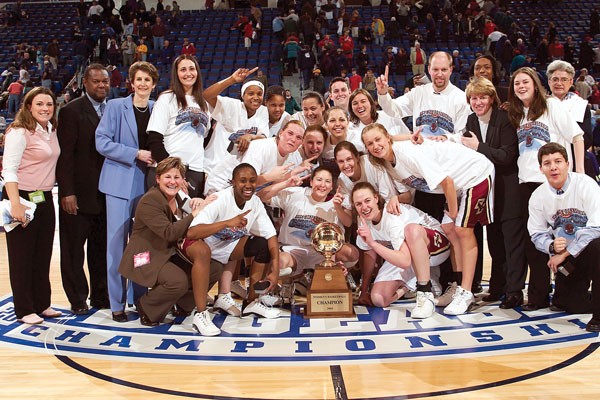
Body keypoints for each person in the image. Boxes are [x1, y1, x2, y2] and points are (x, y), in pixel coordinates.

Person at [361, 123, 495, 315]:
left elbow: (447, 182)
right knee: (449, 229)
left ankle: (467, 292)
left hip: (474, 174)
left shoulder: (408, 154)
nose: (375, 145)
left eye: (378, 140)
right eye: (370, 143)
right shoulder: (386, 162)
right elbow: (388, 138)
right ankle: (457, 286)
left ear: (387, 138)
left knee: (462, 231)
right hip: (456, 184)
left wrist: (454, 212)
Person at [507, 67, 585, 311]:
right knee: (535, 243)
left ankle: (565, 294)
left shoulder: (551, 105)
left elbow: (577, 136)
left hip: (552, 183)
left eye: (525, 82)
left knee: (563, 239)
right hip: (526, 184)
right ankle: (538, 296)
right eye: (517, 83)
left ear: (535, 84)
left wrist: (580, 172)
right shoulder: (519, 113)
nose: (521, 86)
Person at [184, 163, 282, 335]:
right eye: (242, 180)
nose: (248, 185)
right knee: (203, 251)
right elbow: (192, 232)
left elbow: (271, 237)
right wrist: (228, 223)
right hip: (202, 245)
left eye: (252, 180)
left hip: (227, 248)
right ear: (233, 182)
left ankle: (251, 302)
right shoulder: (220, 199)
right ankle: (201, 315)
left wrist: (275, 270)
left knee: (262, 245)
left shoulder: (255, 202)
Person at [95, 61, 158, 322]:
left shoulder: (158, 109)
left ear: (154, 85)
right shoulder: (114, 106)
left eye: (147, 80)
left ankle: (140, 297)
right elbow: (102, 142)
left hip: (148, 184)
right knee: (117, 246)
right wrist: (135, 153)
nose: (143, 84)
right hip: (119, 183)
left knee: (142, 245)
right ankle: (117, 303)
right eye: (138, 79)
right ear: (131, 82)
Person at [462, 77, 527, 309]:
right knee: (495, 243)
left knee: (512, 244)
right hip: (487, 192)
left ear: (492, 98)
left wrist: (479, 147)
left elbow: (507, 156)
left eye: (482, 97)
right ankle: (497, 287)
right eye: (474, 98)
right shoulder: (470, 120)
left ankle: (514, 291)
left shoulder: (505, 119)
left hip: (508, 190)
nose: (478, 102)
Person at [118, 157, 206, 326]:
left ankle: (183, 304)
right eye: (168, 177)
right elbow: (169, 233)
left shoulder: (181, 200)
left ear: (183, 180)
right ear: (157, 179)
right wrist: (194, 215)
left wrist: (201, 203)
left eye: (177, 177)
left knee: (212, 268)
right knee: (178, 281)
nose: (172, 182)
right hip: (144, 256)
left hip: (167, 253)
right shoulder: (151, 200)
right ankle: (147, 307)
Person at [1, 87, 61, 324]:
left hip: (45, 198)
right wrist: (15, 204)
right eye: (39, 104)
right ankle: (24, 309)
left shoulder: (50, 130)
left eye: (49, 104)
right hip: (22, 197)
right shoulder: (18, 132)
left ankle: (42, 304)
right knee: (22, 256)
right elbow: (9, 171)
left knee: (42, 254)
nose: (45, 108)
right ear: (28, 107)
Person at [528, 143, 600, 332]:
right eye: (547, 163)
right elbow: (536, 234)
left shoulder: (586, 185)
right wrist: (551, 246)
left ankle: (599, 317)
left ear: (568, 164)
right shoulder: (538, 196)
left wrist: (565, 253)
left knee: (597, 246)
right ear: (541, 169)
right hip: (569, 258)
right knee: (572, 304)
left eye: (558, 161)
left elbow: (597, 228)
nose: (553, 167)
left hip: (591, 250)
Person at [56, 64, 110, 316]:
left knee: (100, 249)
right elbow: (65, 156)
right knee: (73, 250)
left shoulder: (113, 109)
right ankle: (78, 298)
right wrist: (67, 192)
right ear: (85, 83)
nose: (101, 85)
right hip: (77, 194)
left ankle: (100, 295)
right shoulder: (70, 111)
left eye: (105, 82)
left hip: (106, 193)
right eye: (96, 81)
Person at [352, 182, 449, 316]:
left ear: (376, 198)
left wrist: (373, 243)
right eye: (358, 204)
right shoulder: (363, 220)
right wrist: (364, 291)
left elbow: (404, 261)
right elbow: (369, 255)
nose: (364, 207)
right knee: (379, 299)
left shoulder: (391, 215)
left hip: (435, 247)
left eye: (367, 201)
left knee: (411, 230)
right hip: (406, 253)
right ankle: (410, 284)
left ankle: (425, 292)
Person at [261, 166, 359, 290]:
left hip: (322, 253)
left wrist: (338, 208)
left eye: (327, 181)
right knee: (281, 263)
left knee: (351, 253)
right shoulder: (296, 193)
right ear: (311, 182)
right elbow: (262, 195)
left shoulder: (336, 203)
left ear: (331, 186)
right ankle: (289, 282)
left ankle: (335, 275)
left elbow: (348, 222)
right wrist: (285, 184)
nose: (323, 185)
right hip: (293, 250)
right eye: (319, 180)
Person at [147, 55, 210, 198]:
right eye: (183, 70)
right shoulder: (167, 98)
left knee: (190, 219)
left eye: (192, 69)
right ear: (176, 74)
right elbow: (154, 140)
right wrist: (174, 173)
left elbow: (203, 140)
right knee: (164, 219)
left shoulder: (204, 104)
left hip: (195, 170)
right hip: (168, 170)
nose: (188, 73)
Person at [202, 67, 269, 175]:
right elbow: (206, 96)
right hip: (212, 168)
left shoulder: (263, 111)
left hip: (234, 173)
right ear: (243, 95)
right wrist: (232, 80)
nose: (256, 97)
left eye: (259, 94)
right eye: (251, 93)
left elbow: (264, 137)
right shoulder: (232, 105)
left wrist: (250, 136)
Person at [546, 60, 594, 178]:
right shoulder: (539, 106)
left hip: (576, 162)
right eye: (555, 79)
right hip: (547, 163)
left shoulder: (581, 106)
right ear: (549, 82)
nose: (559, 83)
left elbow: (587, 138)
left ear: (571, 82)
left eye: (564, 79)